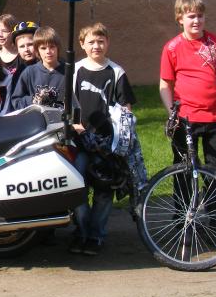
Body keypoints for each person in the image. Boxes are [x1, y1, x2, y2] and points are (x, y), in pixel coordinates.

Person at [69, 23, 137, 256]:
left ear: (107, 43)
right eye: (91, 42)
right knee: (77, 187)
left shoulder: (116, 72)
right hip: (79, 142)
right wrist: (75, 126)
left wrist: (120, 137)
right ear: (82, 44)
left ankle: (96, 235)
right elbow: (68, 104)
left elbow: (125, 108)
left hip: (107, 145)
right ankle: (81, 230)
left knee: (104, 191)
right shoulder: (76, 70)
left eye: (100, 41)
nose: (96, 46)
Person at [159, 0, 216, 182]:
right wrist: (172, 114)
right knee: (184, 170)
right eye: (191, 16)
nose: (196, 21)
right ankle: (185, 203)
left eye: (200, 16)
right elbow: (165, 84)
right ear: (180, 18)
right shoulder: (172, 48)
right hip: (185, 119)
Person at [9, 26, 66, 110]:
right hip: (35, 116)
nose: (48, 51)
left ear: (58, 47)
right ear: (37, 50)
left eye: (52, 47)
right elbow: (16, 101)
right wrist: (33, 100)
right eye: (43, 48)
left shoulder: (69, 71)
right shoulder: (29, 72)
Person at [4, 21, 39, 108]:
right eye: (22, 46)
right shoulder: (18, 72)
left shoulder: (48, 66)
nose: (26, 49)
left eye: (30, 44)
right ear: (17, 49)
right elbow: (15, 100)